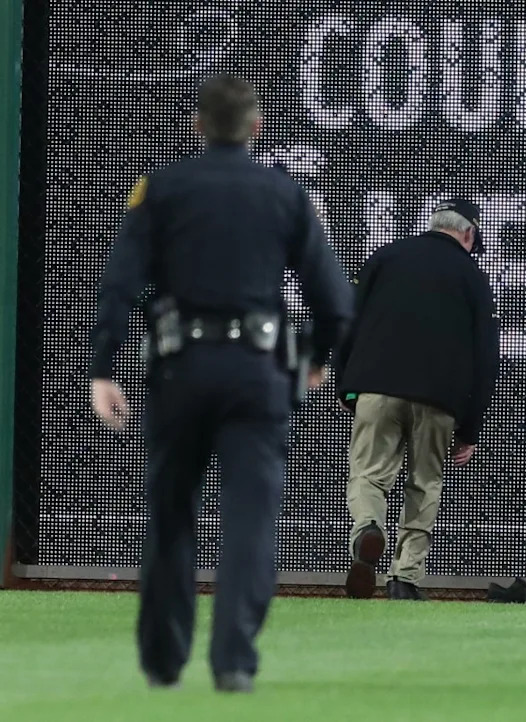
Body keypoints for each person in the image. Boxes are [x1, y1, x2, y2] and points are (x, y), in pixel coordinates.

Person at [89, 74, 353, 691]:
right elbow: (335, 300)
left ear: (198, 126)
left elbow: (120, 283)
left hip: (180, 369)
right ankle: (233, 659)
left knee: (171, 514)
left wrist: (104, 365)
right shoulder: (284, 194)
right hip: (258, 375)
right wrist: (315, 357)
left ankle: (162, 660)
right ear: (256, 127)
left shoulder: (164, 188)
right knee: (251, 518)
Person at [335, 198, 500, 601]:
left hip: (376, 386)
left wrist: (346, 383)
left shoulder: (386, 257)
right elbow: (486, 357)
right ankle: (404, 578)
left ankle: (367, 529)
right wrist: (471, 427)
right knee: (424, 484)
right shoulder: (472, 276)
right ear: (468, 234)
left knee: (369, 473)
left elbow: (347, 320)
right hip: (440, 398)